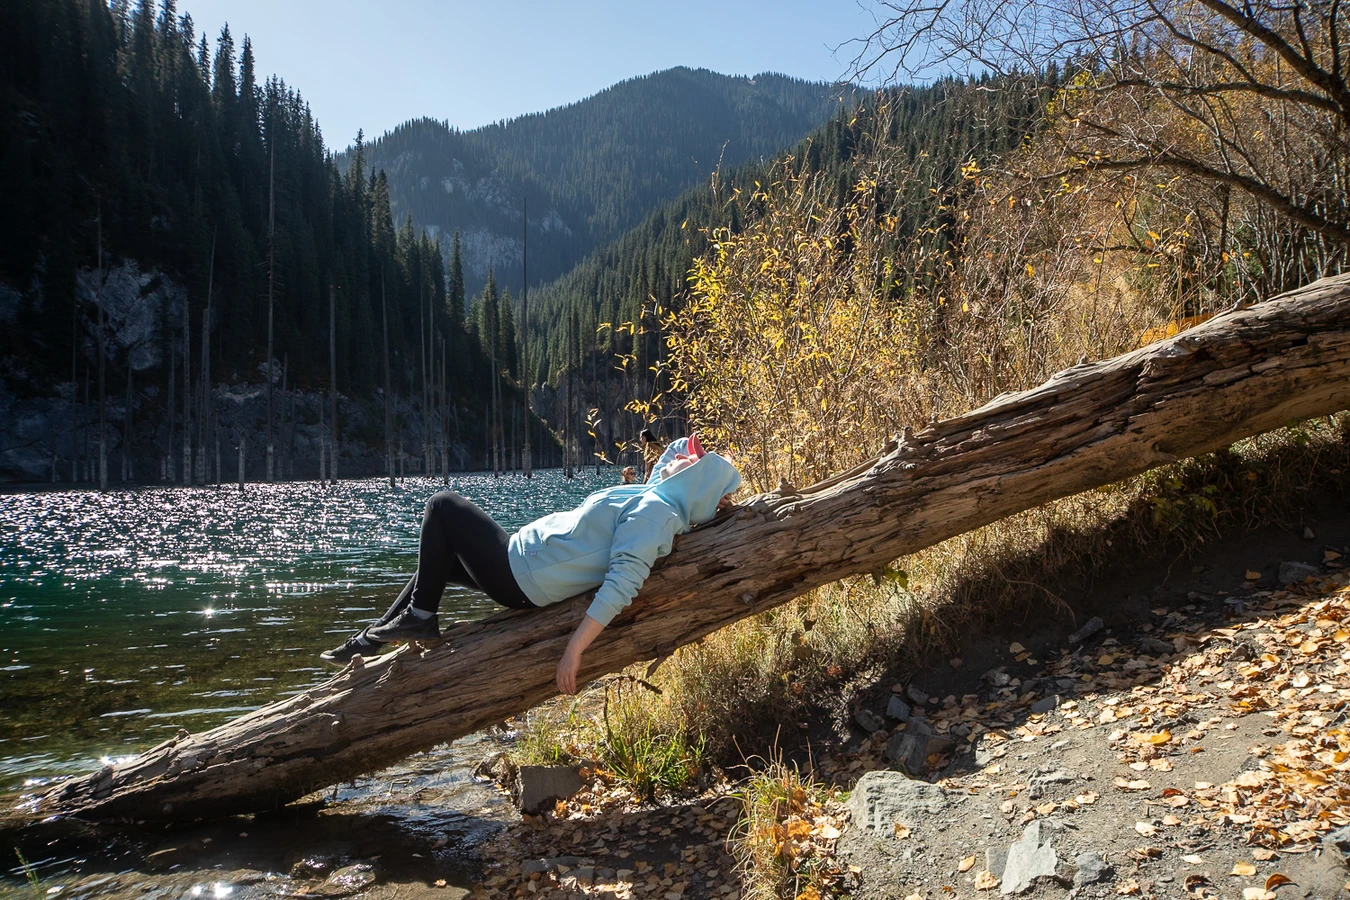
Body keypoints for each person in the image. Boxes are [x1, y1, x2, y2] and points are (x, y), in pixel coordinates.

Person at [321, 435, 741, 695]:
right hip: (521, 567)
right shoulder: (654, 499)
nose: (677, 458)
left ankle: (421, 617)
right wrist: (685, 461)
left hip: (520, 575)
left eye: (690, 462)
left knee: (442, 506)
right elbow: (668, 462)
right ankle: (372, 640)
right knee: (434, 565)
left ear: (696, 481)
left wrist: (573, 651)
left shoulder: (655, 514)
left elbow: (622, 584)